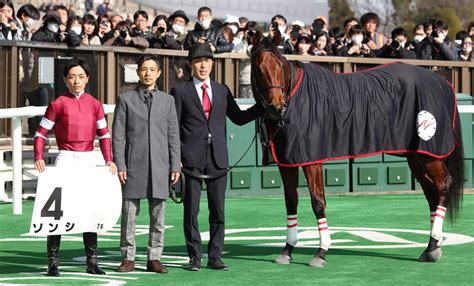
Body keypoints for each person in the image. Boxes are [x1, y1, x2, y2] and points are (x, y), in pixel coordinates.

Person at [170, 43, 264, 271]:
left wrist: (264, 106)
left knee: (218, 210)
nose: (203, 65)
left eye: (207, 61)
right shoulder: (180, 91)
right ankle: (194, 257)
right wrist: (176, 158)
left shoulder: (222, 90)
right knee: (191, 210)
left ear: (213, 63)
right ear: (191, 64)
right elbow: (173, 127)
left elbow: (239, 118)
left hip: (218, 158)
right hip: (190, 159)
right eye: (198, 61)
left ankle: (215, 256)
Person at [34, 57, 117, 277]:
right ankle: (53, 263)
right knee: (58, 214)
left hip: (89, 160)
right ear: (65, 80)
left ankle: (92, 261)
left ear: (87, 79)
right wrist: (38, 156)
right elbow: (40, 133)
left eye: (81, 76)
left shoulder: (95, 104)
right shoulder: (58, 104)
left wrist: (109, 159)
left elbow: (104, 135)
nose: (76, 81)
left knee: (90, 210)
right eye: (71, 77)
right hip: (65, 159)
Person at [113, 54, 181, 274]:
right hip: (133, 165)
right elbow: (118, 136)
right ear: (138, 72)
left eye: (152, 69)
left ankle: (154, 258)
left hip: (161, 166)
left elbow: (173, 135)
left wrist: (175, 166)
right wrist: (120, 164)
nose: (148, 73)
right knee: (129, 215)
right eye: (144, 69)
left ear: (159, 73)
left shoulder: (168, 101)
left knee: (158, 216)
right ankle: (128, 257)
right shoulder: (125, 100)